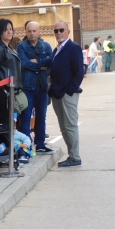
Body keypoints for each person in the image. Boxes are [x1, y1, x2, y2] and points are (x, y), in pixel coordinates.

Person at [49, 21, 84, 168]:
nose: (58, 33)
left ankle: (75, 157)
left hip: (67, 94)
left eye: (61, 30)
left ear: (68, 31)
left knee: (70, 126)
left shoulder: (73, 48)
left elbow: (79, 72)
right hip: (57, 94)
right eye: (56, 31)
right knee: (64, 127)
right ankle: (71, 156)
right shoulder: (56, 49)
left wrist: (70, 90)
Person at [16, 21, 54, 155]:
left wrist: (36, 63)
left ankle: (40, 144)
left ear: (39, 31)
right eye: (29, 31)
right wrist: (41, 65)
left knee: (41, 116)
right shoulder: (21, 46)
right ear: (25, 32)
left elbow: (51, 62)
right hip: (27, 87)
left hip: (42, 86)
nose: (32, 34)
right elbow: (23, 63)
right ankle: (26, 146)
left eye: (34, 31)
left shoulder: (46, 45)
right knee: (26, 117)